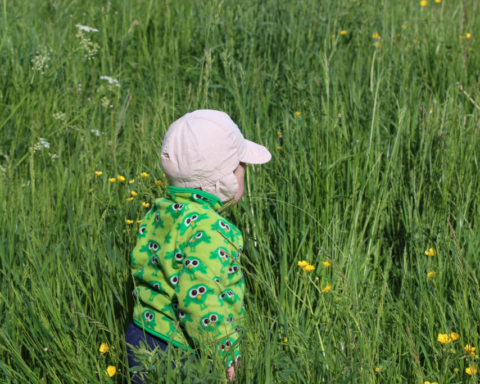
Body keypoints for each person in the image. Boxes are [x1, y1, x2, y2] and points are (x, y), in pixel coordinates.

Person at [125, 109, 271, 382]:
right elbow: (197, 295)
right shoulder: (213, 230)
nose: (245, 175)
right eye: (242, 168)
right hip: (181, 348)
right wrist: (225, 353)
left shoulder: (159, 212)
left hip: (140, 333)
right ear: (225, 179)